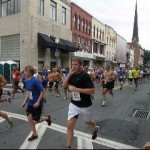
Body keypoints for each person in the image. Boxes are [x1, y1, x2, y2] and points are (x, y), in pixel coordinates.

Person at [62, 57, 99, 149]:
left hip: (85, 105)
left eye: (76, 65)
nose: (73, 66)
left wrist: (76, 89)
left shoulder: (85, 76)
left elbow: (92, 91)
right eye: (72, 64)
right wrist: (69, 75)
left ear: (81, 65)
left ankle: (95, 128)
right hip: (74, 104)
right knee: (69, 126)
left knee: (88, 122)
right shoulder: (71, 74)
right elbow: (64, 86)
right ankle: (68, 147)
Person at [21, 65, 52, 141]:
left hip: (37, 104)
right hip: (30, 103)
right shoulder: (26, 80)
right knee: (30, 119)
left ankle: (47, 118)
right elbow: (28, 92)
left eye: (26, 71)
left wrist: (38, 102)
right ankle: (35, 134)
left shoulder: (35, 81)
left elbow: (43, 91)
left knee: (35, 121)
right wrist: (25, 102)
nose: (25, 72)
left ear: (30, 72)